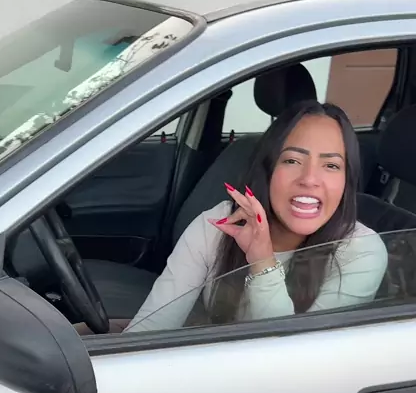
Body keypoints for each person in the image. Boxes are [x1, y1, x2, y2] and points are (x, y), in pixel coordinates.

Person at [126, 100, 388, 333]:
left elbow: (295, 357)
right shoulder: (219, 225)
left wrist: (262, 262)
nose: (309, 179)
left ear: (346, 181)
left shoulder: (361, 251)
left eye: (331, 165)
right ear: (268, 169)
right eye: (292, 161)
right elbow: (150, 329)